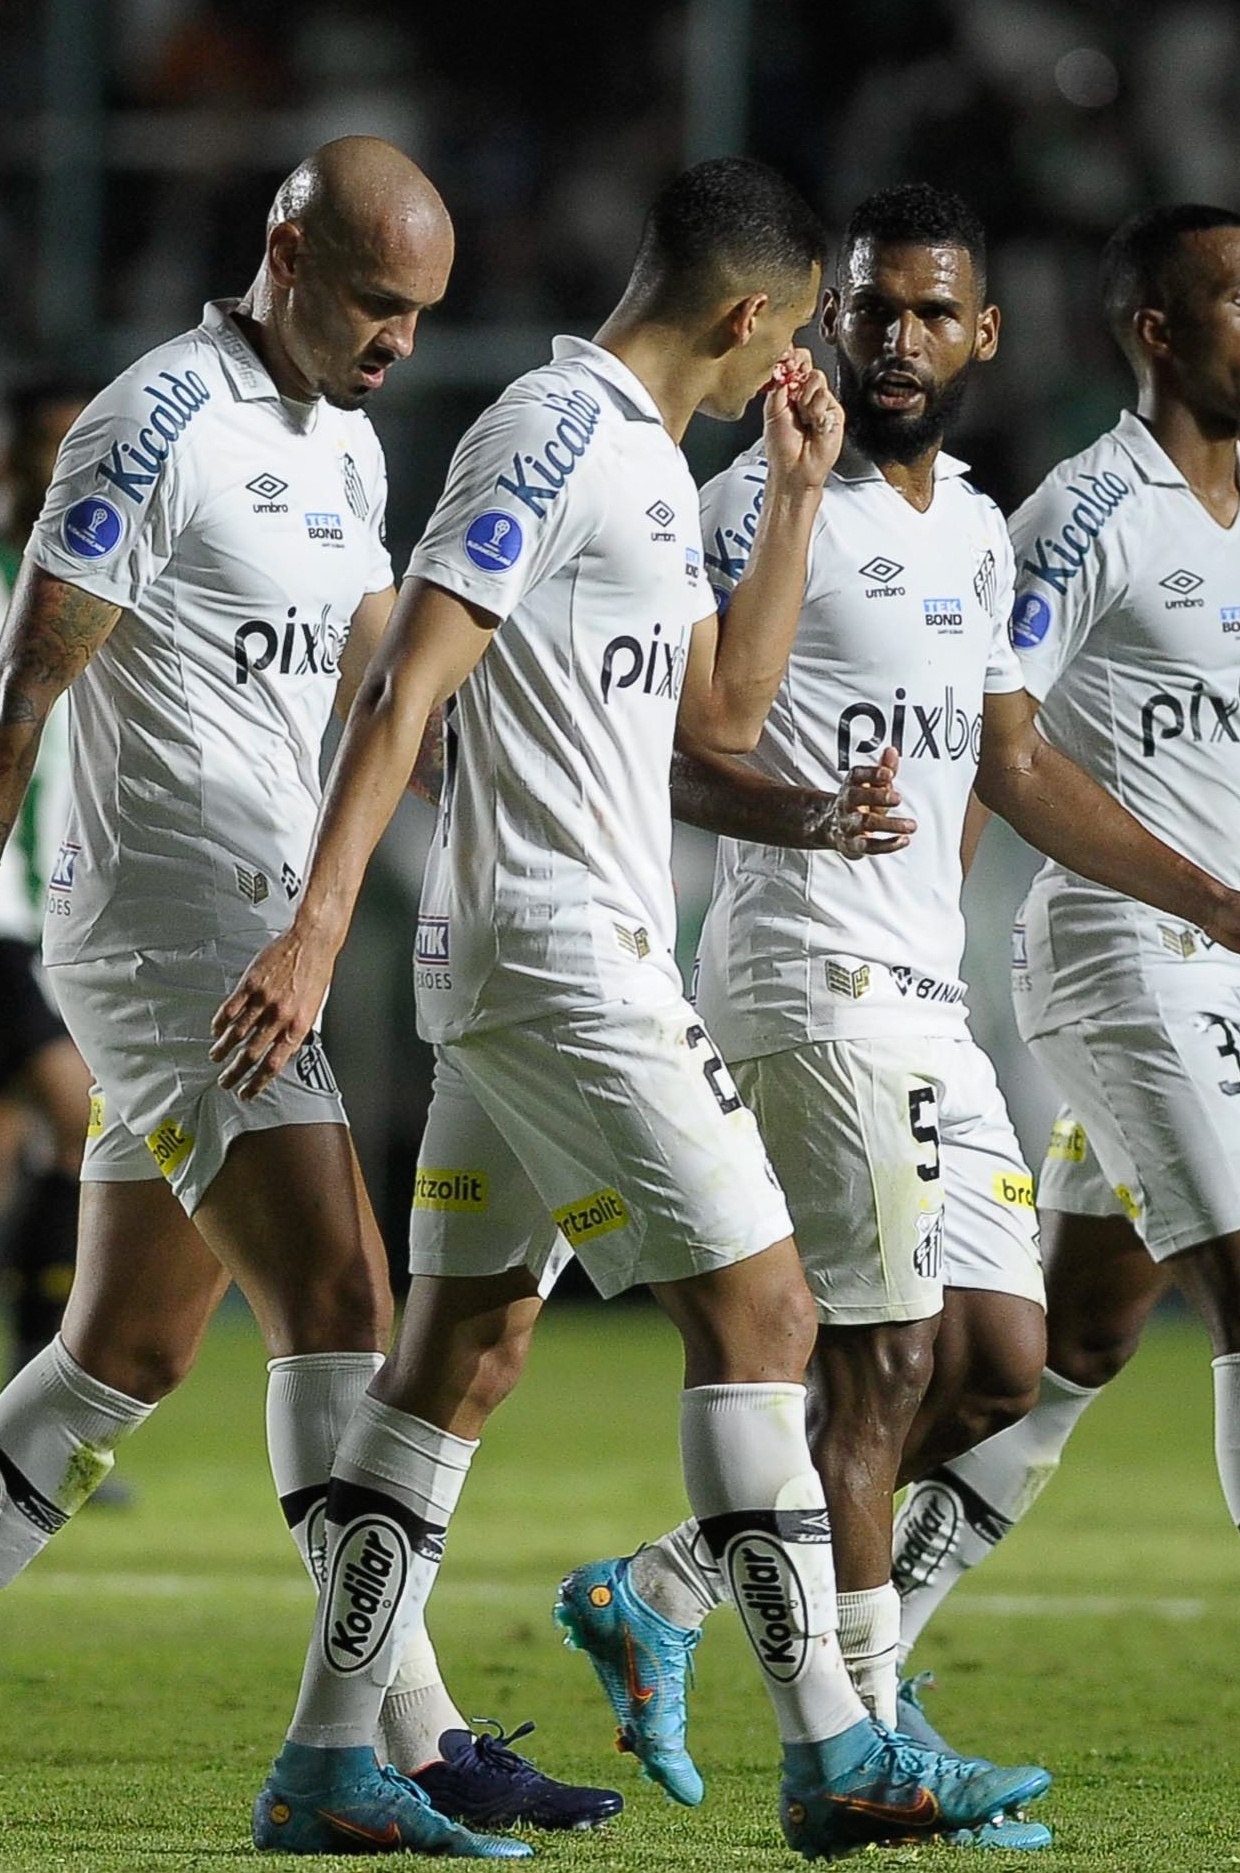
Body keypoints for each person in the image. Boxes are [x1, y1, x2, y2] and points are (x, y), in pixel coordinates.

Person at [210, 155, 1058, 1862]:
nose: (801, 363)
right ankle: (835, 1743)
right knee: (764, 1324)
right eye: (799, 330)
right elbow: (407, 681)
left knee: (460, 1349)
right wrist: (312, 928)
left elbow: (718, 715)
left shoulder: (666, 472)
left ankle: (322, 1758)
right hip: (557, 962)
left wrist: (800, 501)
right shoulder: (549, 429)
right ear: (749, 314)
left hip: (558, 967)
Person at [555, 183, 1240, 1813]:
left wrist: (1220, 898)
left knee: (1009, 1359)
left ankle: (657, 1588)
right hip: (817, 980)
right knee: (901, 1360)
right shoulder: (759, 507)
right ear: (826, 325)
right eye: (871, 310)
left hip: (933, 996)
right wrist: (796, 816)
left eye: (933, 312)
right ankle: (862, 1739)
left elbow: (1014, 759)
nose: (900, 339)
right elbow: (671, 733)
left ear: (980, 335)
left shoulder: (973, 527)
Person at [0, 137, 616, 1852]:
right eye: (371, 301)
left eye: (420, 313)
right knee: (348, 1296)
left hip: (265, 925)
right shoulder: (151, 420)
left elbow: (367, 673)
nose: (398, 342)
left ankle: (396, 1741)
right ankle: (373, 1749)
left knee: (118, 1351)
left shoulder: (340, 442)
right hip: (170, 936)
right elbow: (29, 686)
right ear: (284, 249)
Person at [886, 202, 1240, 1794]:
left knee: (1077, 1348)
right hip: (1124, 961)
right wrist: (916, 946)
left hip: (1224, 972)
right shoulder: (1082, 514)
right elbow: (1000, 743)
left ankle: (760, 1605)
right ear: (1158, 330)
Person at [0, 383, 97, 1380]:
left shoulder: (101, 583)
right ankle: (39, 1380)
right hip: (2, 914)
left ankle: (21, 1391)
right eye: (51, 445)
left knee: (20, 1150)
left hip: (51, 918)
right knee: (77, 1113)